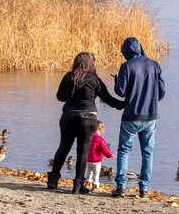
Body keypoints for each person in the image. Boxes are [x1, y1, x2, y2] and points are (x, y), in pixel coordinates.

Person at [48, 52, 124, 194]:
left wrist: (71, 95)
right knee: (82, 152)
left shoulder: (68, 77)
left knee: (63, 148)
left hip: (68, 117)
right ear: (91, 63)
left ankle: (53, 179)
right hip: (88, 119)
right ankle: (78, 185)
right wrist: (124, 104)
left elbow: (60, 97)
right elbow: (108, 99)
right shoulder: (94, 80)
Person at [111, 37, 165, 199]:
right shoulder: (155, 65)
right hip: (150, 116)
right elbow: (161, 91)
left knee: (124, 151)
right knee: (147, 153)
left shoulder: (126, 66)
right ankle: (144, 189)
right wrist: (152, 103)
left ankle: (121, 187)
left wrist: (116, 81)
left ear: (126, 51)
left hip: (131, 116)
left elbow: (120, 92)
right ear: (140, 48)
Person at [86, 120, 116, 190]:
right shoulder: (100, 139)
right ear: (99, 128)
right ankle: (96, 185)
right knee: (96, 174)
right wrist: (111, 154)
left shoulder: (88, 137)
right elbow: (105, 149)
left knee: (89, 172)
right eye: (103, 127)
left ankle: (88, 182)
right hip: (96, 160)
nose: (104, 129)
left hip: (88, 159)